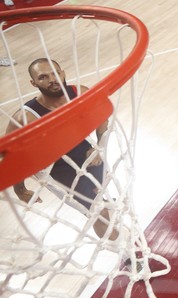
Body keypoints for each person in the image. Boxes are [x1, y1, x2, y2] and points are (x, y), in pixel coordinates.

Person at [5, 59, 118, 240]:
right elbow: (10, 156)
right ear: (34, 83)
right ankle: (129, 254)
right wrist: (21, 190)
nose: (52, 79)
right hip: (60, 172)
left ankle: (119, 239)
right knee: (99, 213)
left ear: (63, 73)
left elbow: (102, 116)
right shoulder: (26, 117)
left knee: (102, 203)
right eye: (43, 77)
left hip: (89, 155)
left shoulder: (79, 92)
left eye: (55, 73)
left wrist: (99, 147)